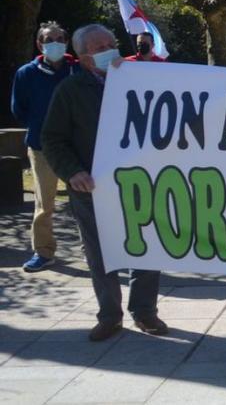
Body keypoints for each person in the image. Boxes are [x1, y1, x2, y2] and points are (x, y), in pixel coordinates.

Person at [41, 24, 167, 341]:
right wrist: (72, 172)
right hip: (92, 188)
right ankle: (110, 316)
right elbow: (53, 139)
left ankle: (145, 312)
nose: (108, 50)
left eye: (110, 43)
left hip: (143, 183)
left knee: (147, 249)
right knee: (100, 255)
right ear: (83, 58)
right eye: (99, 48)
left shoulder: (141, 80)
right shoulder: (69, 92)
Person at [11, 22, 77, 272]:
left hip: (77, 147)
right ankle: (43, 251)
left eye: (60, 38)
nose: (56, 43)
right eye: (50, 39)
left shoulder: (78, 69)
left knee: (84, 202)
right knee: (44, 205)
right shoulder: (26, 73)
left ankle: (91, 251)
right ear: (40, 44)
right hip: (42, 147)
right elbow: (19, 109)